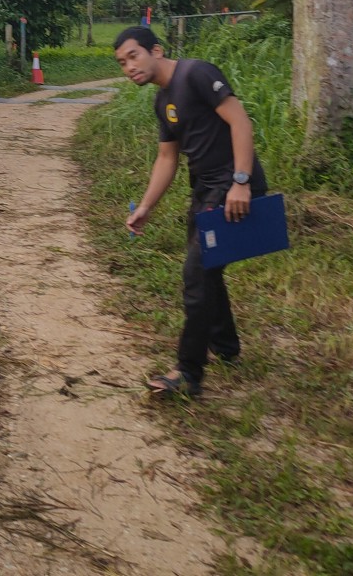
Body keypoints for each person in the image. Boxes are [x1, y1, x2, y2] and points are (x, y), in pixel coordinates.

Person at [114, 26, 268, 397]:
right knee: (207, 270)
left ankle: (188, 373)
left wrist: (241, 181)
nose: (129, 67)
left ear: (156, 50)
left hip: (231, 186)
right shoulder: (160, 100)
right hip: (204, 191)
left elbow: (240, 121)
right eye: (122, 63)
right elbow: (167, 159)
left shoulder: (197, 73)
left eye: (134, 56)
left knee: (197, 274)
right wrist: (146, 207)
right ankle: (227, 349)